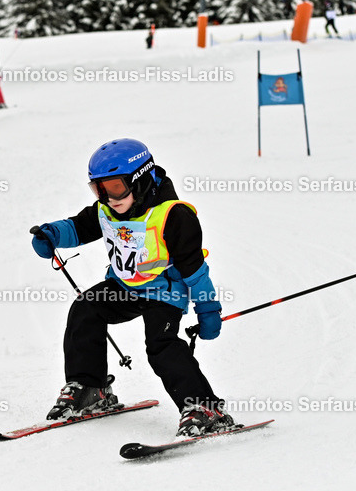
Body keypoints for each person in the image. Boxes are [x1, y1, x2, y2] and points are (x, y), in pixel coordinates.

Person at [30, 138, 236, 438]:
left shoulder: (175, 216)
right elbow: (78, 227)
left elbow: (195, 271)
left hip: (164, 293)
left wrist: (207, 308)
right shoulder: (107, 209)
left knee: (161, 346)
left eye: (115, 187)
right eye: (98, 189)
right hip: (124, 287)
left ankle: (205, 408)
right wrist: (52, 235)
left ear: (140, 180)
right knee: (86, 308)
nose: (108, 198)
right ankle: (89, 388)